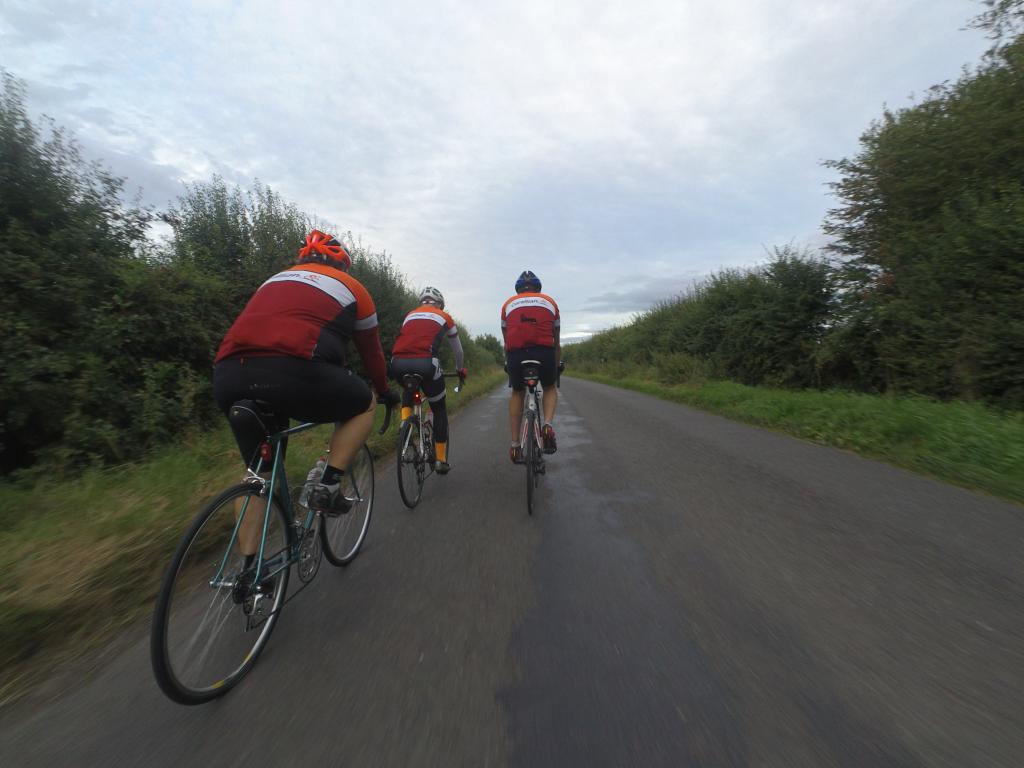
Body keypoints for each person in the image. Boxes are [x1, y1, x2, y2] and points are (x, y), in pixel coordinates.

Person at [213, 230, 400, 553]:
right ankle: (327, 485)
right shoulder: (353, 287)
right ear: (342, 265)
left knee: (259, 475)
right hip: (293, 370)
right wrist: (384, 391)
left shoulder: (273, 280)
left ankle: (249, 571)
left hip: (228, 375)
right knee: (364, 403)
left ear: (301, 260)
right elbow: (372, 354)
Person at [390, 286, 467, 475]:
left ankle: (404, 424)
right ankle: (440, 459)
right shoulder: (445, 316)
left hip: (397, 364)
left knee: (409, 390)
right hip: (425, 364)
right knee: (439, 408)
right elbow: (458, 351)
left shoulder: (410, 315)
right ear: (439, 304)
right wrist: (459, 370)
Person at [501, 270, 561, 462]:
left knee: (517, 392)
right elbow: (556, 340)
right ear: (538, 288)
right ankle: (547, 426)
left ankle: (515, 445)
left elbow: (506, 340)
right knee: (549, 387)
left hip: (516, 355)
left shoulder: (507, 305)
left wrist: (508, 362)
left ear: (518, 290)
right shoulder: (550, 302)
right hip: (544, 353)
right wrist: (556, 364)